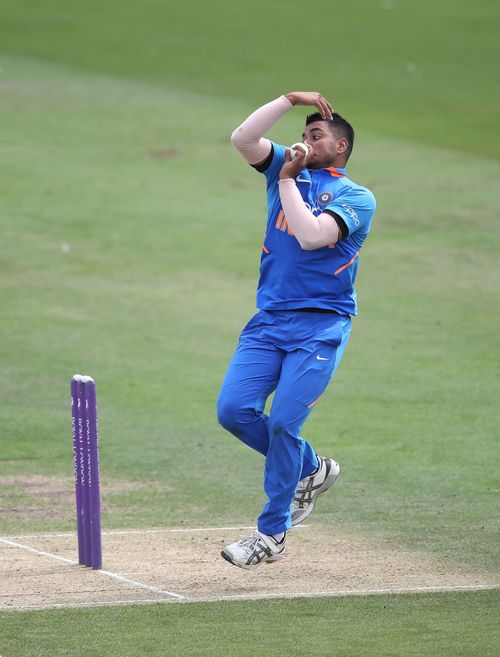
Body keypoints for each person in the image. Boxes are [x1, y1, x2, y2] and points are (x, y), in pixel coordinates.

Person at [217, 91, 376, 569]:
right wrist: (289, 98)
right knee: (233, 411)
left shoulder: (356, 197)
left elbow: (312, 237)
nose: (304, 141)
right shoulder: (285, 168)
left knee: (285, 423)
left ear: (341, 147)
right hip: (268, 322)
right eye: (302, 135)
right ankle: (311, 468)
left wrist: (287, 178)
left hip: (320, 327)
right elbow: (242, 137)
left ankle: (271, 534)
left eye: (316, 135)